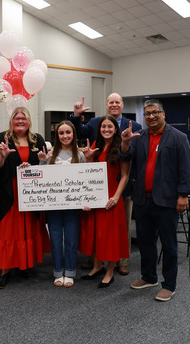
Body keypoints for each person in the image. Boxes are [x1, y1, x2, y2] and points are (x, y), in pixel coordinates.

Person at [119, 99, 190, 302]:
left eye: (155, 112)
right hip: (143, 199)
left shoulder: (178, 138)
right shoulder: (139, 136)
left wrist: (183, 194)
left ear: (163, 113)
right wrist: (125, 142)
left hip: (167, 201)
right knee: (145, 242)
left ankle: (169, 285)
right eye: (147, 114)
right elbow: (125, 156)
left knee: (169, 245)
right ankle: (149, 277)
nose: (151, 116)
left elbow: (186, 169)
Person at [70, 93, 141, 275]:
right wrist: (76, 116)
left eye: (118, 102)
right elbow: (78, 132)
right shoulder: (95, 125)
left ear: (122, 105)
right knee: (98, 227)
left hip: (122, 188)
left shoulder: (136, 127)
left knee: (121, 227)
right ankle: (97, 261)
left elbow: (135, 157)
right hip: (98, 190)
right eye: (111, 102)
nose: (114, 105)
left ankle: (121, 262)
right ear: (107, 105)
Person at [0, 107, 50, 289]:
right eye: (17, 118)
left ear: (29, 121)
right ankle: (5, 271)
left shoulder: (37, 139)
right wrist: (3, 157)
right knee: (8, 231)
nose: (20, 121)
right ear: (12, 121)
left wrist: (40, 162)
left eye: (24, 118)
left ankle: (24, 265)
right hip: (8, 192)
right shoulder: (0, 139)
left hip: (29, 194)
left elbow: (43, 166)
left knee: (27, 229)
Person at [78, 115, 130, 288]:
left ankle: (109, 272)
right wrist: (88, 157)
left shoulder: (121, 147)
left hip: (111, 196)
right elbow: (89, 171)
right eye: (103, 127)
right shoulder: (95, 145)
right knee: (95, 233)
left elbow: (125, 176)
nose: (106, 129)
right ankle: (97, 266)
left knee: (110, 236)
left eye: (110, 126)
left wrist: (115, 197)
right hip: (96, 195)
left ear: (116, 129)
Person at [38, 121, 86, 288]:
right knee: (56, 239)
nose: (65, 136)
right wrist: (42, 162)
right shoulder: (50, 154)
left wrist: (86, 200)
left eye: (68, 132)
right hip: (54, 207)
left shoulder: (80, 155)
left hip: (73, 206)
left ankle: (70, 271)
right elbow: (42, 180)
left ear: (73, 134)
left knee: (72, 239)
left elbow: (85, 181)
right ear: (57, 136)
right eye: (61, 133)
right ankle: (58, 271)